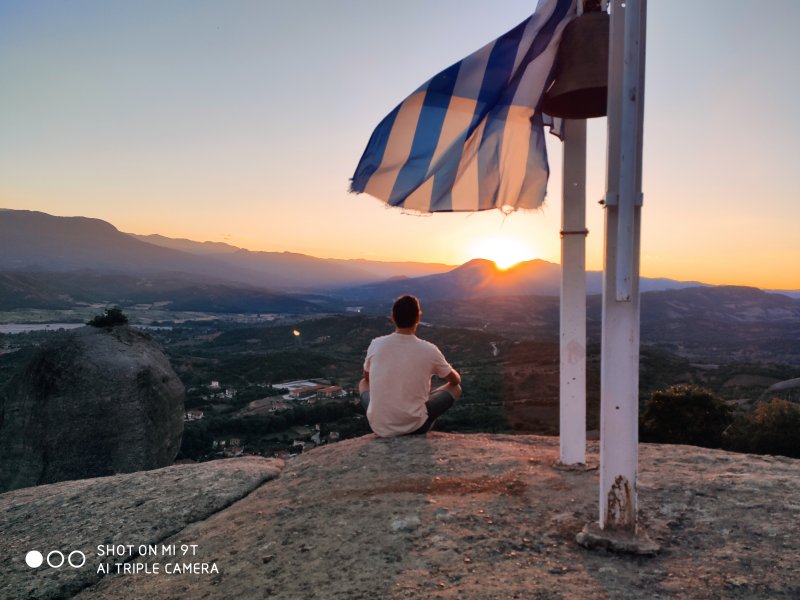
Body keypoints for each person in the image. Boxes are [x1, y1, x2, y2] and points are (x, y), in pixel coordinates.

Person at [358, 294, 462, 437]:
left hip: (379, 427)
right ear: (418, 318)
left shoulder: (376, 343)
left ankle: (382, 416)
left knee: (363, 383)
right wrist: (448, 368)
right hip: (415, 427)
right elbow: (455, 381)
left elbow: (367, 377)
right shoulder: (429, 350)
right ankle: (425, 423)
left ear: (393, 318)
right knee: (456, 389)